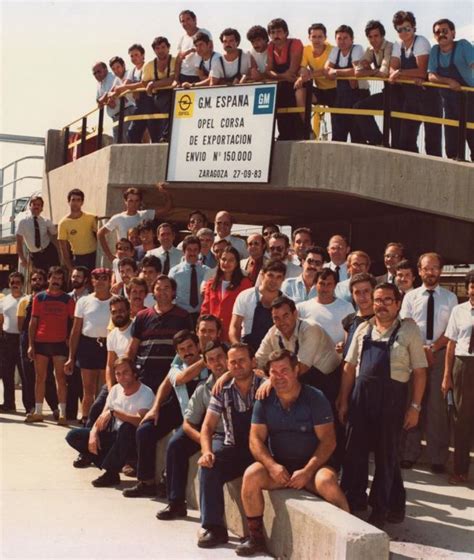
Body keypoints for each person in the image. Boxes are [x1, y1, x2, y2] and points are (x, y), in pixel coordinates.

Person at [237, 349, 349, 556]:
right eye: (274, 372)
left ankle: (347, 541)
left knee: (328, 483)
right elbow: (255, 439)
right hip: (281, 468)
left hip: (314, 469)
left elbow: (328, 441)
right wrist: (271, 465)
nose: (279, 377)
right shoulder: (264, 399)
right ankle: (256, 538)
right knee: (251, 475)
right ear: (268, 375)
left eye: (284, 370)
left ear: (296, 370)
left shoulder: (315, 398)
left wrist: (307, 471)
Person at [338, 283, 427, 529]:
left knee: (386, 456)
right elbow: (348, 367)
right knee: (354, 451)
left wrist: (415, 407)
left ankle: (381, 508)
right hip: (361, 398)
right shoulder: (363, 329)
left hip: (392, 400)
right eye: (378, 300)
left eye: (388, 300)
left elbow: (420, 372)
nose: (382, 305)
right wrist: (344, 400)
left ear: (398, 303)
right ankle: (352, 499)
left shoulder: (408, 330)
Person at [122, 275, 192, 498]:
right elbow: (133, 349)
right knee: (142, 430)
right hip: (146, 382)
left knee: (153, 428)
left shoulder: (183, 317)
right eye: (158, 289)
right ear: (152, 292)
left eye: (166, 289)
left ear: (173, 292)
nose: (162, 292)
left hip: (173, 386)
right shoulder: (143, 317)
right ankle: (145, 481)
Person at [197, 343, 262, 548]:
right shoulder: (222, 390)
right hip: (235, 450)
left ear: (253, 362)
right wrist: (207, 451)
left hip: (262, 453)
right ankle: (214, 528)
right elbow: (207, 427)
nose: (237, 365)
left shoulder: (266, 385)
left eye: (242, 360)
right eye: (232, 362)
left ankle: (255, 536)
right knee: (208, 466)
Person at [156, 341, 228, 521]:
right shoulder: (204, 387)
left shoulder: (243, 380)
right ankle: (176, 503)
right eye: (211, 360)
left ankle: (213, 523)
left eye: (220, 357)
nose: (217, 363)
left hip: (233, 436)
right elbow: (188, 423)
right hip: (210, 433)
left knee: (210, 463)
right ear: (206, 363)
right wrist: (204, 442)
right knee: (176, 444)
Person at [400, 253, 458, 472]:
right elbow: (407, 324)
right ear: (419, 270)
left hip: (440, 354)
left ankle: (437, 457)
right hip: (414, 354)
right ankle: (409, 453)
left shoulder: (450, 298)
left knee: (437, 407)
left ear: (440, 271)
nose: (430, 272)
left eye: (435, 268)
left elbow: (451, 331)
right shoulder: (410, 297)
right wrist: (421, 349)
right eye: (426, 268)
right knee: (412, 402)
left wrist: (433, 348)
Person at [65, 357, 154, 488]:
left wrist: (115, 413)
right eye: (118, 374)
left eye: (125, 372)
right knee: (73, 436)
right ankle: (110, 465)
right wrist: (93, 434)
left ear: (134, 373)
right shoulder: (115, 390)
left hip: (133, 441)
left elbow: (139, 421)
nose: (121, 376)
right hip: (114, 437)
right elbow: (103, 416)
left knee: (127, 427)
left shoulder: (145, 392)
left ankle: (111, 472)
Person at [255, 296, 341, 400]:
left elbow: (301, 368)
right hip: (297, 380)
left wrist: (271, 380)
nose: (281, 322)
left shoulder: (310, 328)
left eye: (285, 316)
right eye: (276, 318)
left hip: (327, 381)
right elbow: (257, 362)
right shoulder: (272, 332)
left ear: (295, 314)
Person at [389, 10, 442, 156]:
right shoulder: (397, 45)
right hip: (410, 98)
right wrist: (402, 75)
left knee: (432, 142)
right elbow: (391, 69)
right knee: (405, 141)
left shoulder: (421, 42)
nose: (404, 32)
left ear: (414, 28)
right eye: (400, 29)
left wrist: (399, 73)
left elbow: (421, 71)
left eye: (407, 28)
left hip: (428, 98)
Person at [27, 266, 74, 425]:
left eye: (59, 279)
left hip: (60, 343)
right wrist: (31, 345)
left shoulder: (67, 299)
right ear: (48, 279)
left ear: (63, 281)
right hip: (41, 342)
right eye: (54, 278)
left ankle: (62, 414)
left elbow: (73, 322)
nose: (56, 281)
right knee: (40, 378)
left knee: (60, 378)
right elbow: (33, 322)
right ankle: (38, 412)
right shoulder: (39, 298)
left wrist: (69, 338)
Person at [65, 268, 113, 425]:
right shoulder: (83, 301)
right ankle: (86, 418)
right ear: (91, 281)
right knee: (88, 389)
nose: (100, 281)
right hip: (87, 346)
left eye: (104, 278)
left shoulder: (117, 301)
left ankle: (102, 420)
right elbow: (76, 330)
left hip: (108, 347)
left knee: (104, 388)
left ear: (109, 280)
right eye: (96, 278)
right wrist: (71, 357)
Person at [442, 271, 474, 484]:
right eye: (473, 286)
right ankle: (460, 469)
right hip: (463, 365)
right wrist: (447, 375)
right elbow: (451, 344)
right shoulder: (459, 311)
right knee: (461, 419)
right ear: (468, 288)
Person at [428, 19, 474, 160]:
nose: (441, 34)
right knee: (451, 148)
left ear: (453, 33)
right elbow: (431, 75)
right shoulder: (435, 51)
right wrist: (448, 81)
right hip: (449, 103)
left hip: (470, 100)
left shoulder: (463, 46)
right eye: (437, 32)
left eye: (445, 31)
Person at [17, 269, 59, 417]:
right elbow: (21, 324)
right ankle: (31, 408)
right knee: (27, 375)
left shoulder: (48, 299)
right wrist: (28, 342)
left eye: (40, 279)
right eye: (34, 280)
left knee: (46, 375)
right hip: (26, 339)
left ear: (45, 281)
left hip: (44, 339)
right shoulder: (24, 301)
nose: (37, 282)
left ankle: (55, 407)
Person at [97, 184, 171, 263]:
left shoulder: (145, 214)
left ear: (140, 201)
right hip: (124, 258)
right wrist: (110, 256)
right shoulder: (118, 218)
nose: (134, 204)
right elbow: (100, 233)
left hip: (141, 256)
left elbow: (166, 209)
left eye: (137, 200)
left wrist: (165, 193)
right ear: (125, 201)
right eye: (131, 201)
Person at [325, 25, 370, 143]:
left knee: (358, 137)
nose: (342, 41)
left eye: (345, 38)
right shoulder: (335, 51)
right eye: (339, 38)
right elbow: (326, 70)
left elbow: (356, 71)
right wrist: (343, 73)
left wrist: (336, 72)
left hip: (359, 96)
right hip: (341, 97)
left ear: (352, 39)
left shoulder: (357, 49)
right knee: (338, 136)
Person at [229, 260, 286, 349]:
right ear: (262, 275)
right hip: (249, 348)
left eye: (278, 277)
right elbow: (235, 326)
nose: (274, 281)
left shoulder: (286, 302)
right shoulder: (245, 296)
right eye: (270, 275)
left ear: (283, 279)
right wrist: (237, 346)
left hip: (276, 350)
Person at [354, 20, 393, 145]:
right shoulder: (370, 49)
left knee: (398, 133)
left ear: (382, 36)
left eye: (376, 36)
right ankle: (378, 141)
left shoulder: (389, 47)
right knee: (360, 107)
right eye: (370, 37)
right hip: (388, 92)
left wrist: (371, 70)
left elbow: (384, 72)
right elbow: (358, 72)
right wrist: (371, 70)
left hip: (400, 94)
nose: (373, 39)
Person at [201, 246, 253, 340]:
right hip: (214, 336)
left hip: (234, 335)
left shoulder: (245, 283)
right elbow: (205, 310)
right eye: (223, 259)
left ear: (237, 263)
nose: (226, 263)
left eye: (231, 260)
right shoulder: (211, 284)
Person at [266, 18, 305, 140]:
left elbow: (292, 72)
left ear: (286, 33)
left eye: (278, 32)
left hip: (297, 85)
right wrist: (281, 76)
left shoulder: (295, 43)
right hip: (281, 85)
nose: (275, 35)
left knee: (293, 105)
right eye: (272, 32)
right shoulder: (270, 47)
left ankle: (305, 129)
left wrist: (276, 75)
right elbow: (268, 71)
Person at [295, 23, 337, 135]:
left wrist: (308, 75)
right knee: (300, 91)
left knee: (338, 128)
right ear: (309, 37)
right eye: (314, 36)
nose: (317, 40)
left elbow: (326, 70)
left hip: (336, 91)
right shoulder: (306, 50)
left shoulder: (333, 50)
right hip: (320, 91)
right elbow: (303, 68)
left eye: (320, 37)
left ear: (325, 38)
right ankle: (307, 129)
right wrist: (302, 75)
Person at [297, 269, 355, 346]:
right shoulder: (301, 308)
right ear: (315, 284)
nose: (325, 288)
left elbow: (353, 334)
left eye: (329, 284)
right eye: (322, 283)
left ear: (335, 285)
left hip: (337, 356)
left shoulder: (347, 307)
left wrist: (344, 345)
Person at [110, 43, 152, 144]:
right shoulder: (132, 71)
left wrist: (128, 88)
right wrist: (112, 95)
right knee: (132, 134)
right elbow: (123, 85)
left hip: (151, 104)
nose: (134, 58)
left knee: (153, 133)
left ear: (143, 55)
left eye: (136, 55)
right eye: (131, 56)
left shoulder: (147, 66)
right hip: (139, 106)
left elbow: (143, 84)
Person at [168, 235, 213, 324]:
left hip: (201, 316)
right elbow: (170, 294)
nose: (192, 253)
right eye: (189, 249)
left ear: (199, 251)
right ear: (184, 251)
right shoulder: (174, 272)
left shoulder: (207, 271)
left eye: (195, 250)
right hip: (180, 315)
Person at [0, 272, 26, 412]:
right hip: (7, 339)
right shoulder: (4, 300)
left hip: (22, 339)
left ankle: (29, 406)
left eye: (18, 282)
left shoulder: (27, 299)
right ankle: (9, 403)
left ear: (22, 284)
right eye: (12, 282)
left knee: (25, 375)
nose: (15, 284)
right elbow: (1, 320)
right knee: (6, 373)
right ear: (9, 284)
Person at [142, 36, 176, 143]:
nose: (160, 50)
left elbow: (173, 79)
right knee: (149, 117)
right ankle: (158, 139)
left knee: (172, 106)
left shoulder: (174, 61)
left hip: (173, 93)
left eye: (163, 47)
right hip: (157, 95)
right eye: (157, 48)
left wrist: (154, 84)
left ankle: (166, 136)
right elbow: (144, 82)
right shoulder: (149, 65)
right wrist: (154, 85)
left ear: (168, 47)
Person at [16, 195, 59, 271]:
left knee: (55, 274)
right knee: (40, 276)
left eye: (39, 205)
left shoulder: (46, 221)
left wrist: (60, 250)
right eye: (34, 204)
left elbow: (55, 235)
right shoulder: (22, 222)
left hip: (49, 250)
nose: (36, 206)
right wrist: (22, 258)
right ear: (30, 206)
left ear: (41, 208)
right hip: (36, 255)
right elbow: (19, 241)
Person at [57, 189, 97, 272]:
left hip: (94, 256)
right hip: (78, 258)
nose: (75, 203)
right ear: (68, 202)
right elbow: (63, 249)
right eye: (73, 200)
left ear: (82, 202)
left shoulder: (91, 218)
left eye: (78, 200)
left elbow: (100, 235)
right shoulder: (63, 223)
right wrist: (70, 268)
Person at [341, 272, 376, 357]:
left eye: (366, 291)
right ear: (352, 295)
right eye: (357, 292)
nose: (362, 296)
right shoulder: (348, 321)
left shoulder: (384, 319)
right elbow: (347, 353)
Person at [176, 10, 212, 85]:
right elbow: (178, 60)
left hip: (201, 76)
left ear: (194, 19)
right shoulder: (182, 38)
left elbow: (210, 52)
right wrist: (176, 79)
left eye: (188, 19)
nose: (185, 23)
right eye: (183, 21)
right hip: (184, 77)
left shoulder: (205, 33)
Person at [93, 61, 125, 143]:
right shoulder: (99, 84)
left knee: (127, 142)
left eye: (98, 71)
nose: (97, 75)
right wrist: (104, 101)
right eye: (94, 73)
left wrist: (104, 100)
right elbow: (99, 100)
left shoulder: (112, 77)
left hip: (125, 112)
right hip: (115, 117)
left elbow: (111, 97)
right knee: (118, 144)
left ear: (105, 69)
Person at [107, 56, 136, 142]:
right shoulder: (117, 79)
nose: (116, 71)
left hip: (139, 105)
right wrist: (111, 99)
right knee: (127, 138)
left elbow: (123, 87)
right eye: (113, 69)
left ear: (123, 66)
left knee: (135, 136)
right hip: (135, 106)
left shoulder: (129, 72)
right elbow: (110, 93)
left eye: (118, 67)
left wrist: (116, 94)